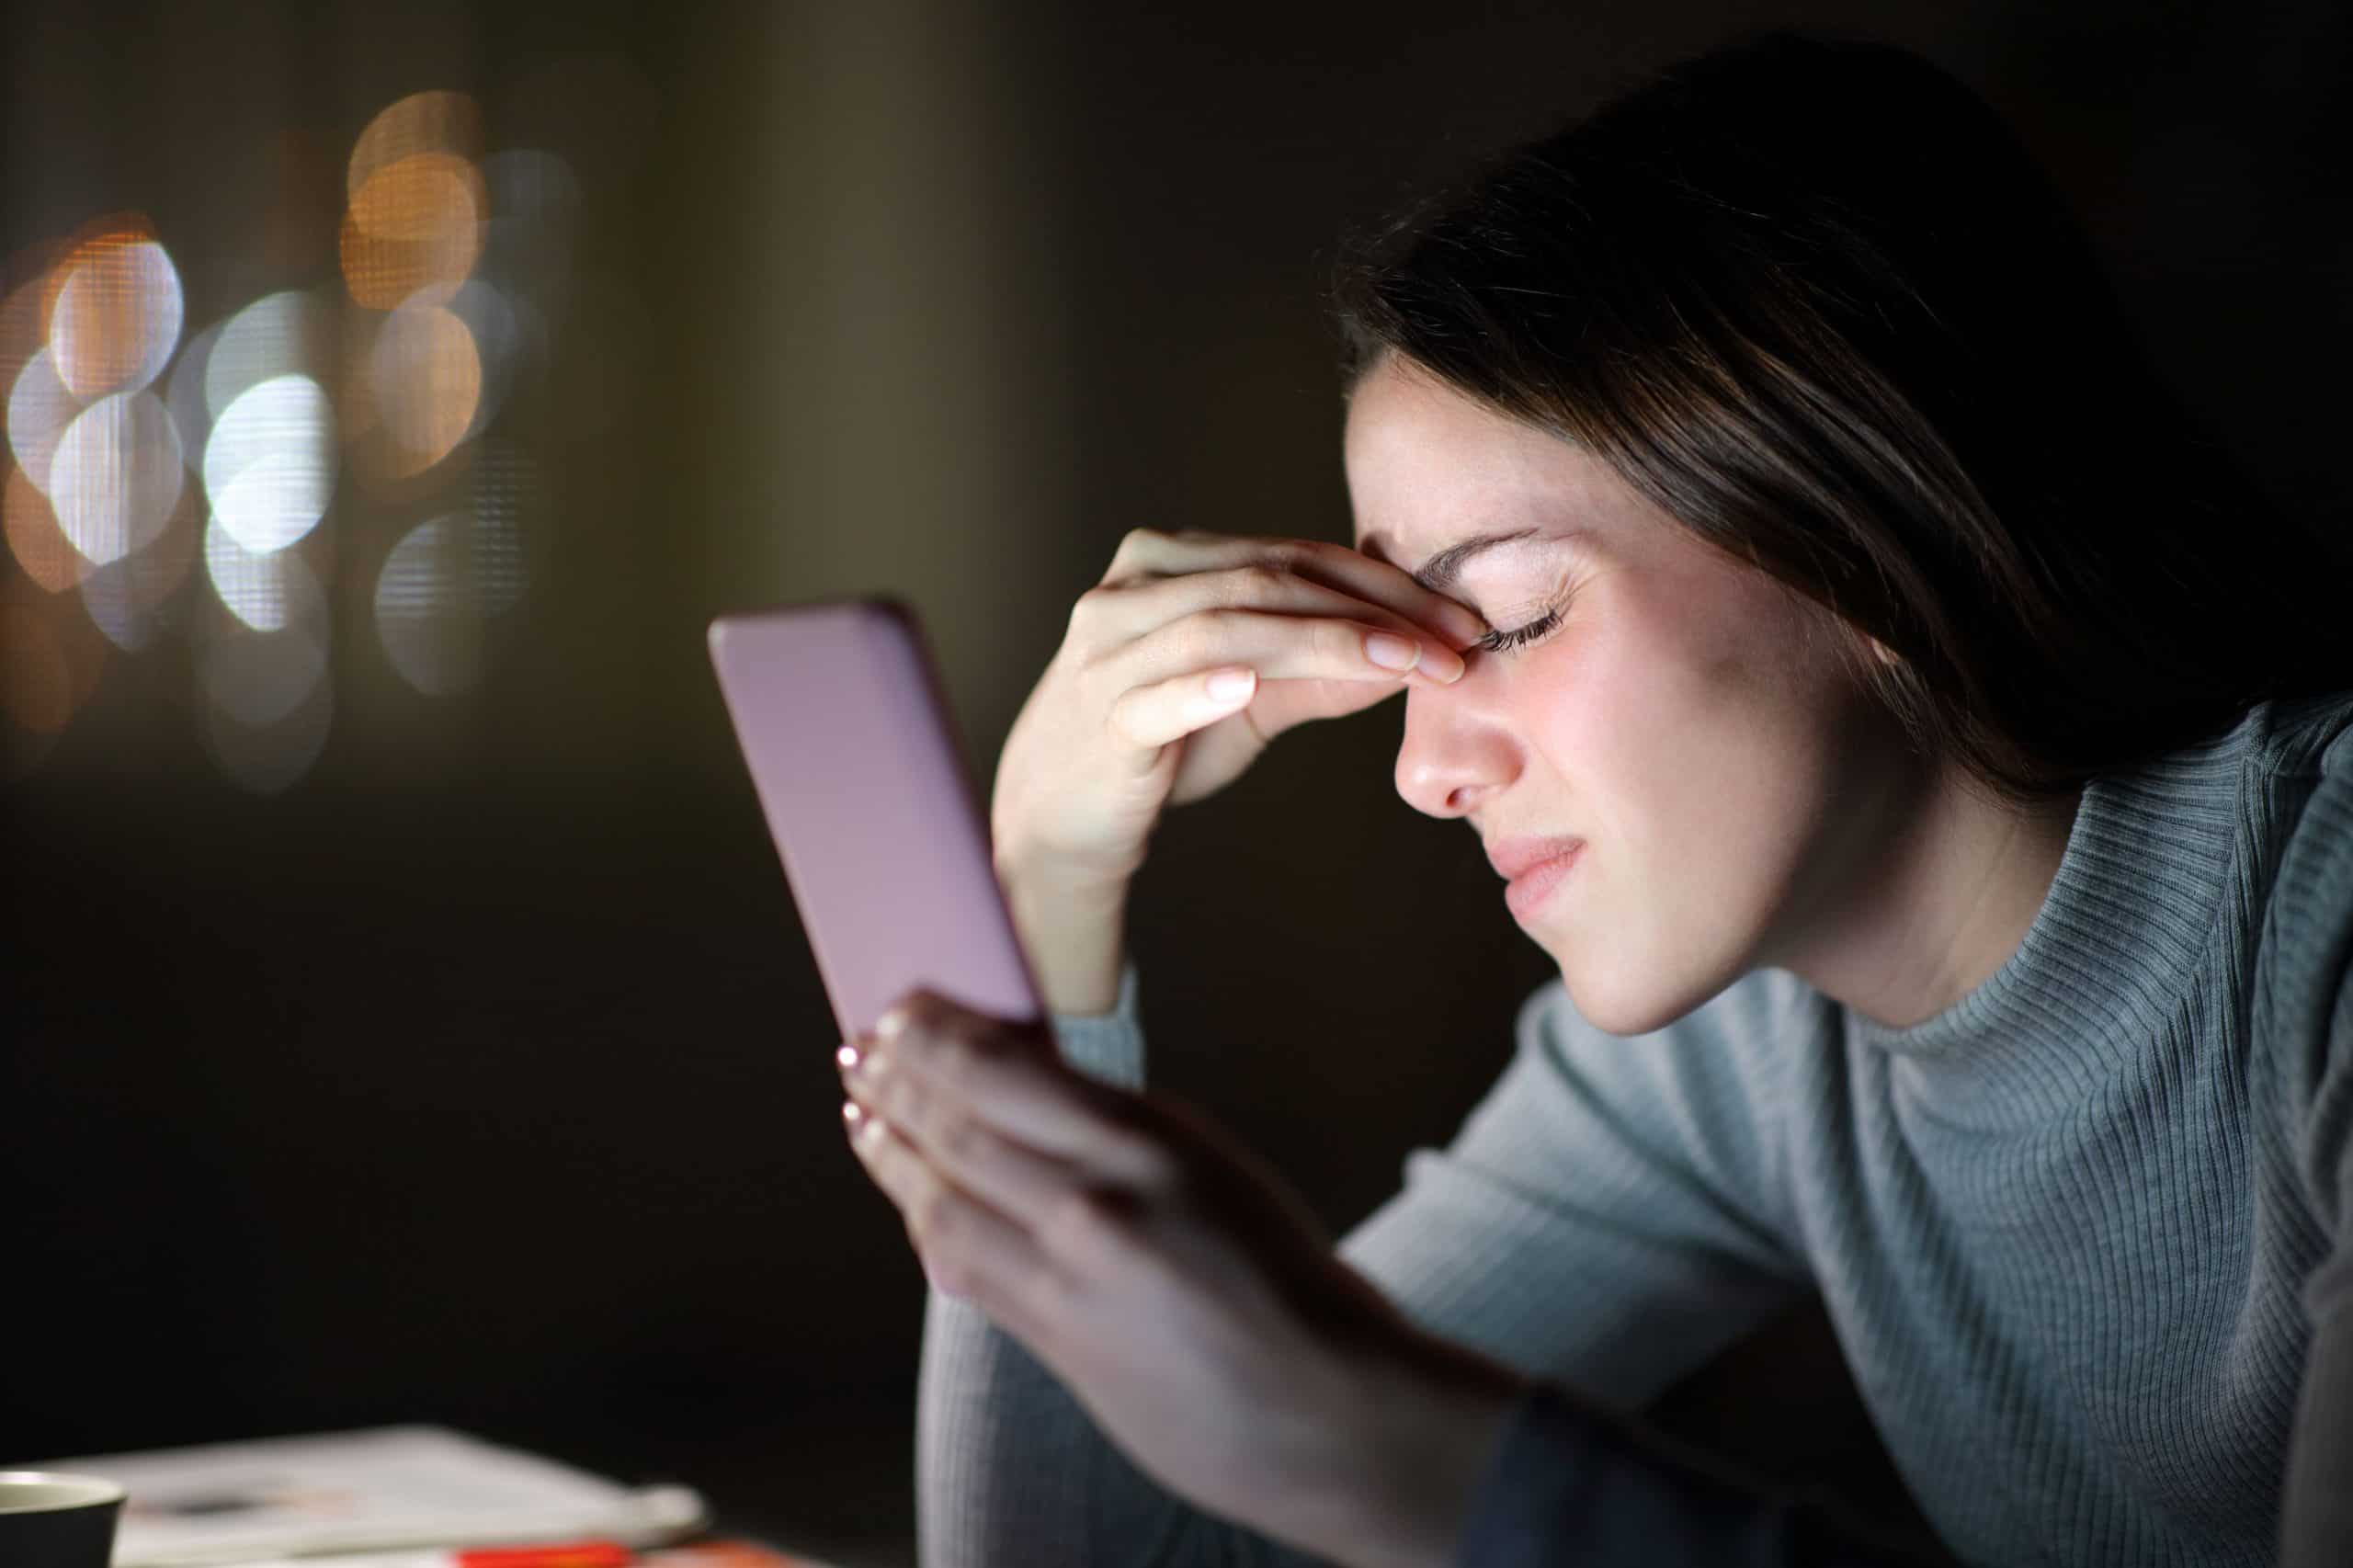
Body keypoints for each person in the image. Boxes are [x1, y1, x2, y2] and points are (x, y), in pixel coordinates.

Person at [831, 28, 2353, 1567]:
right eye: (1409, 643)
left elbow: (1328, 1453)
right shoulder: (1748, 1049)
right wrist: (1036, 889)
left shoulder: (2326, 932)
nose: (1424, 772)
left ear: (1870, 535)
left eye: (1506, 618)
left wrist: (1371, 1431)